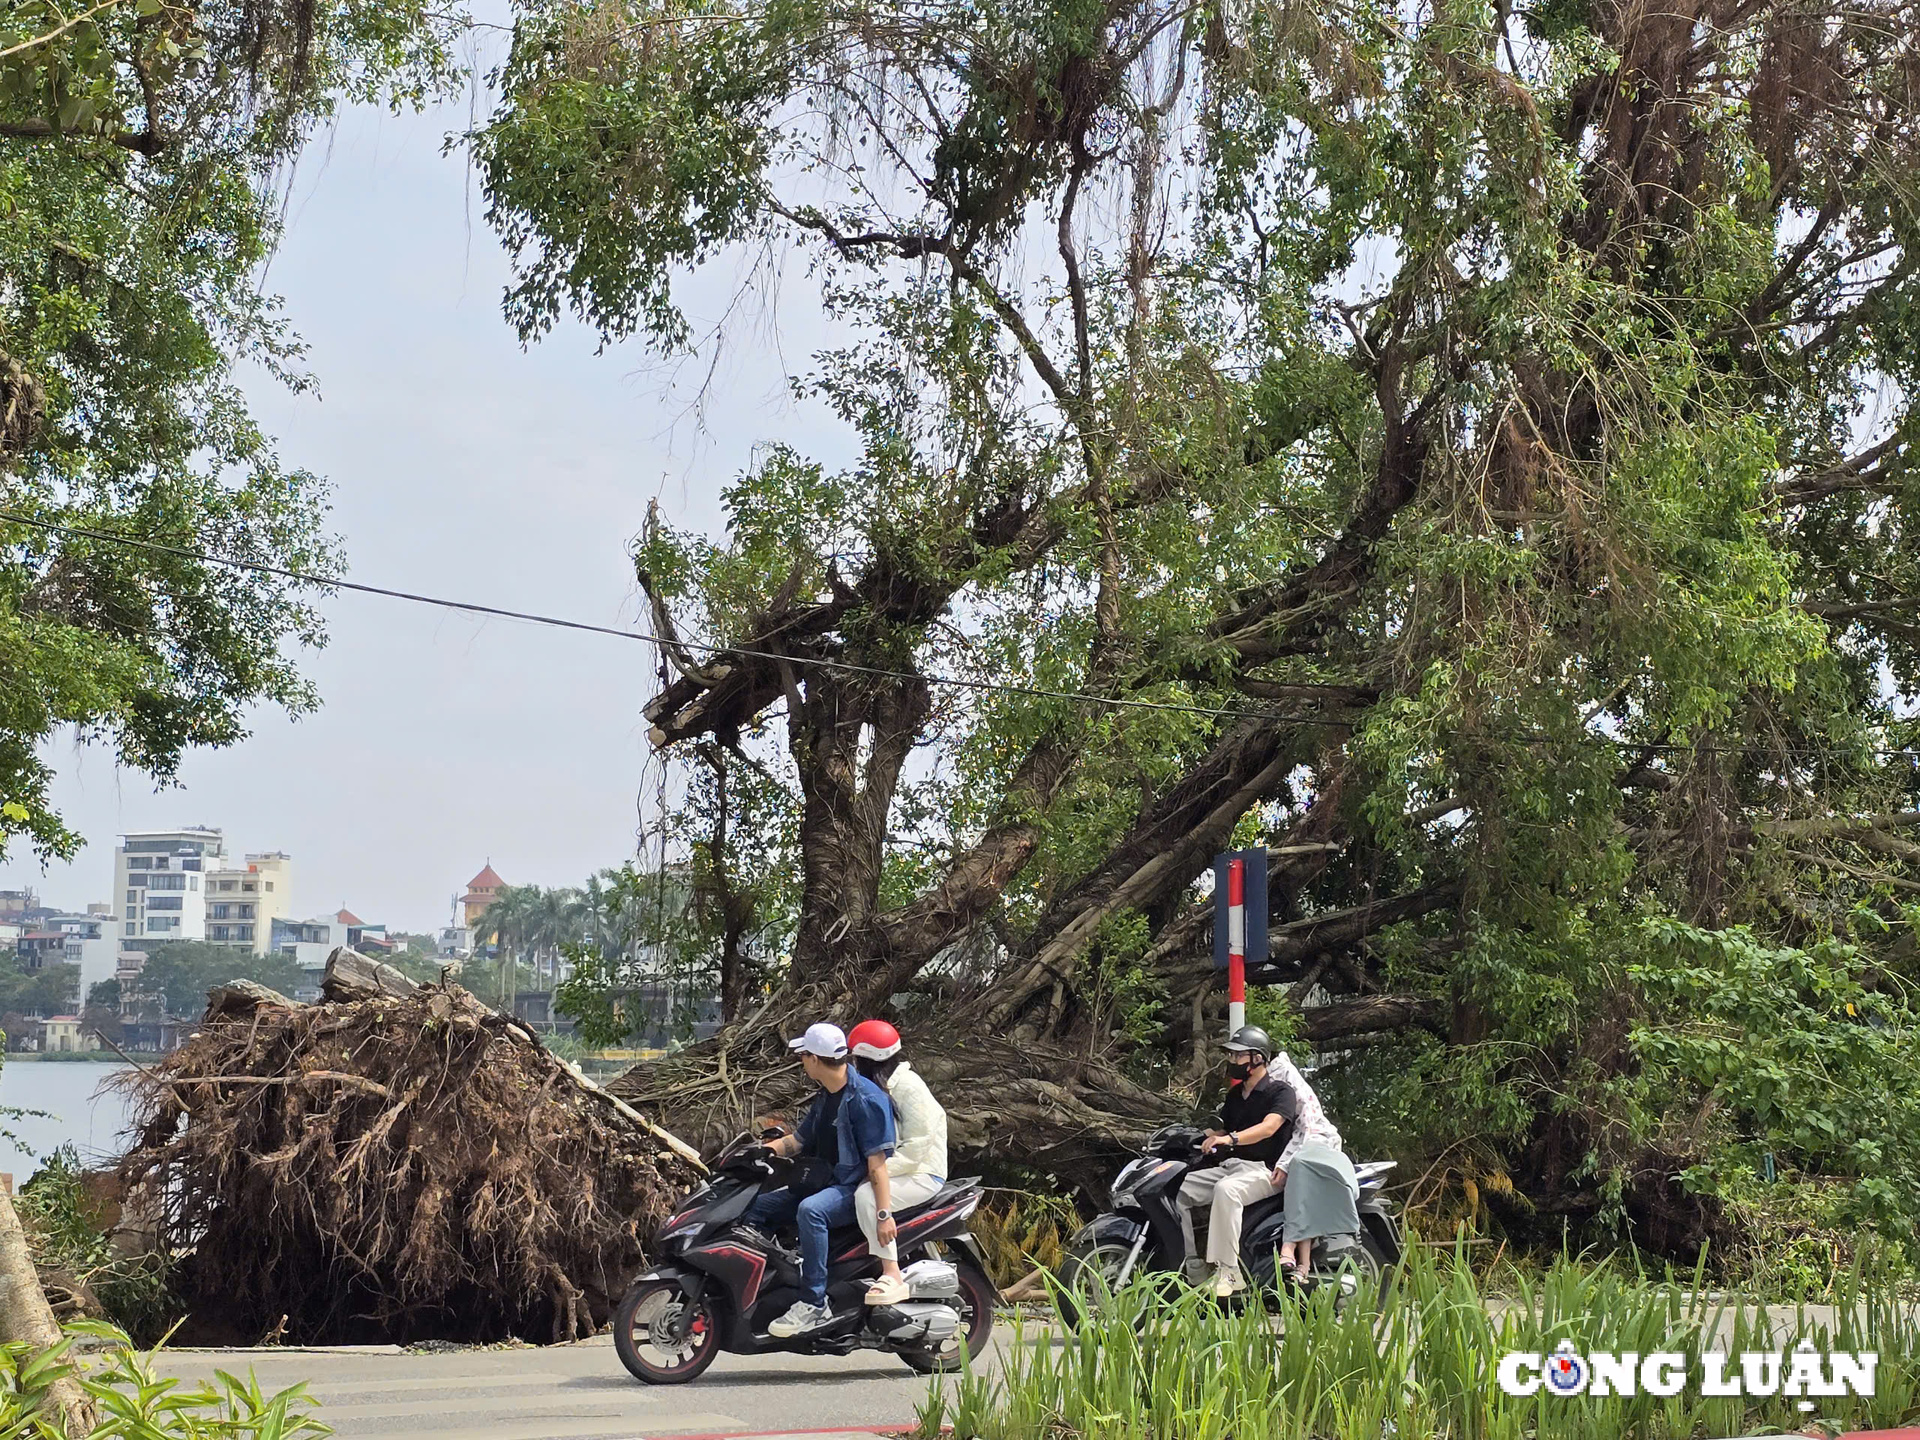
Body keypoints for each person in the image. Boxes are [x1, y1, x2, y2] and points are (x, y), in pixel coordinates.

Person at [749, 1022, 898, 1337]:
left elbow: (877, 1167)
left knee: (811, 1210)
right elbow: (798, 1141)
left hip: (848, 1188)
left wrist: (884, 1215)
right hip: (820, 1182)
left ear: (815, 1060)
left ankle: (814, 1303)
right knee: (754, 1208)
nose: (801, 1060)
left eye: (803, 1055)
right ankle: (772, 1286)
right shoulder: (827, 1095)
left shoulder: (866, 1100)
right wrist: (756, 1154)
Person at [1175, 1024, 1296, 1297]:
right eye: (1231, 1056)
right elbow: (1223, 1130)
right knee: (1176, 1189)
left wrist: (1229, 1140)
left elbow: (1268, 1127)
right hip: (1231, 1167)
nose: (1232, 1061)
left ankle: (1229, 1271)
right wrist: (1195, 1137)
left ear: (1257, 1058)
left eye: (1237, 1056)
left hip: (1267, 1171)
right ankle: (1192, 1264)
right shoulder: (1234, 1095)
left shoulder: (1281, 1092)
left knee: (1227, 1191)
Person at [846, 1019, 947, 1306]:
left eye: (857, 1059)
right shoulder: (879, 1086)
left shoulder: (909, 1087)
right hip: (897, 1170)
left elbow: (918, 1146)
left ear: (869, 1060)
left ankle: (891, 1273)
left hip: (922, 1173)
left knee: (867, 1197)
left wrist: (874, 1175)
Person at [1266, 1046, 1358, 1282]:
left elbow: (1307, 1126)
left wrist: (1285, 1162)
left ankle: (1288, 1247)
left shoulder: (1283, 1076)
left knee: (1299, 1170)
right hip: (1296, 1145)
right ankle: (1303, 1265)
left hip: (1316, 1141)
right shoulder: (1261, 1080)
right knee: (1303, 1193)